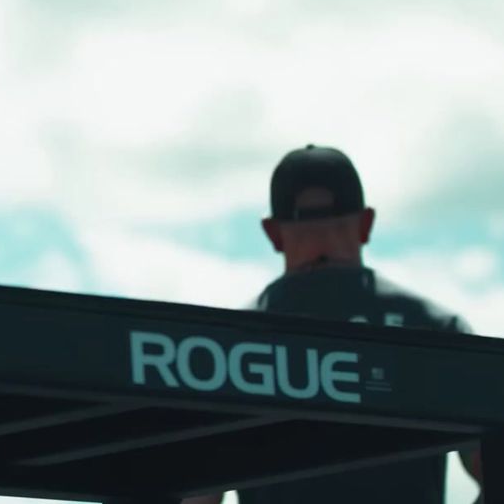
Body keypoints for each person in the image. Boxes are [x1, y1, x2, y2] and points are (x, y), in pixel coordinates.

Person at [184, 144, 484, 504]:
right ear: (366, 224)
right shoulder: (435, 329)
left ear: (273, 233)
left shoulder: (230, 347)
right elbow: (502, 469)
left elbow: (197, 494)